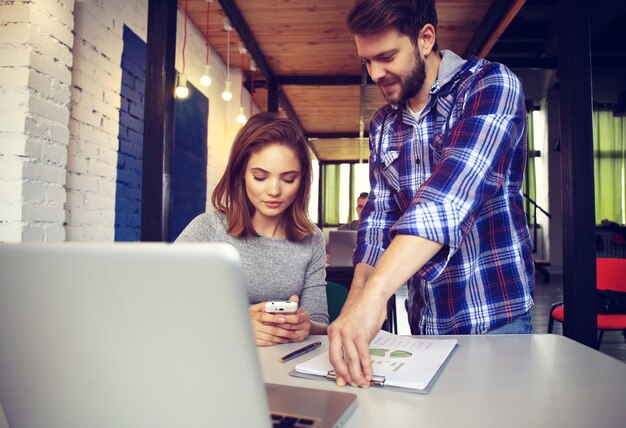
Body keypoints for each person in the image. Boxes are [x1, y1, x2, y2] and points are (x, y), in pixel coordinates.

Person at [328, 0, 535, 387]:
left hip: (497, 318)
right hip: (425, 324)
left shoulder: (492, 86)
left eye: (386, 56)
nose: (375, 73)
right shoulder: (383, 124)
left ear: (425, 38)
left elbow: (447, 200)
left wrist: (377, 294)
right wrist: (356, 300)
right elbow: (378, 219)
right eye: (366, 61)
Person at [176, 112, 329, 346]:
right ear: (241, 175)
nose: (274, 190)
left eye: (288, 179)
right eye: (260, 177)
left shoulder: (311, 239)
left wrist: (305, 324)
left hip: (282, 366)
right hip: (216, 359)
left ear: (303, 181)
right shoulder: (207, 229)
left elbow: (320, 322)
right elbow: (165, 302)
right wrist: (236, 322)